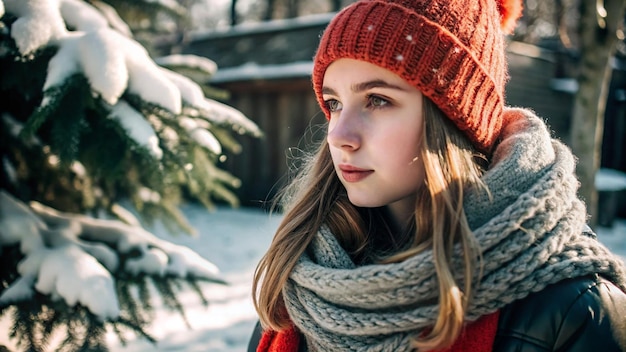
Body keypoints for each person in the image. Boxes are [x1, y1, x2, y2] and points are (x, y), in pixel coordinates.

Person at [248, 0, 626, 351]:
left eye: (378, 100)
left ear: (453, 121)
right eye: (334, 103)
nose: (338, 135)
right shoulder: (299, 281)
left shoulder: (571, 308)